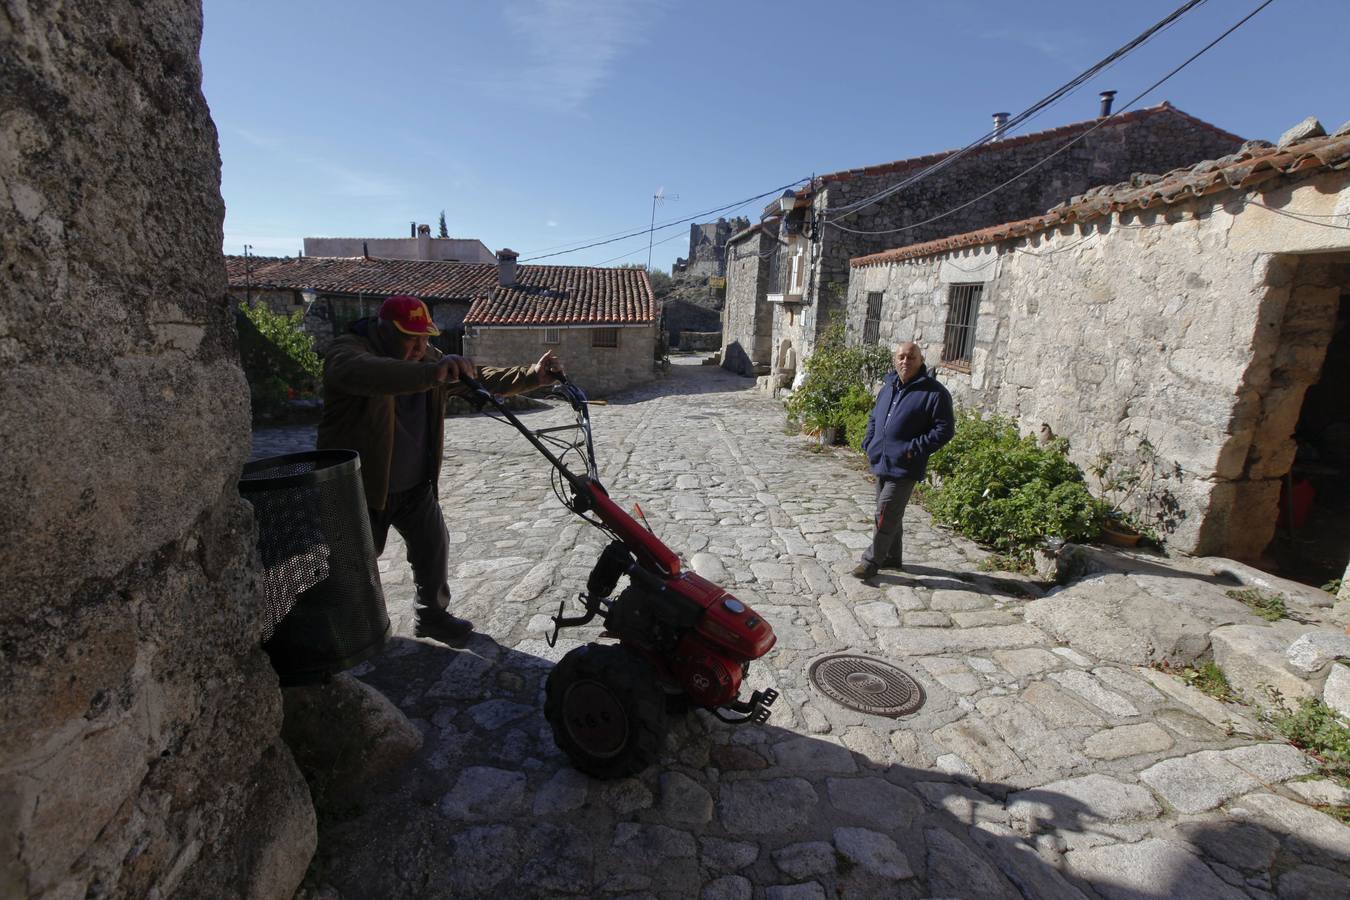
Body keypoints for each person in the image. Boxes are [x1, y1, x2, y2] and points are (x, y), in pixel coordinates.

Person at [317, 295, 564, 642]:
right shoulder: (349, 352)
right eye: (410, 338)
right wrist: (431, 373)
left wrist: (532, 376)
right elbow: (365, 374)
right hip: (362, 487)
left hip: (415, 483)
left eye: (425, 338)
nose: (420, 347)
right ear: (383, 330)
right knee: (353, 565)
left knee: (433, 547)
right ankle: (345, 633)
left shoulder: (428, 359)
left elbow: (476, 378)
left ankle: (431, 616)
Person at [852, 341, 954, 580]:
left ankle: (870, 561)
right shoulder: (889, 386)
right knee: (890, 512)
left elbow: (944, 430)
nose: (905, 361)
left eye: (911, 357)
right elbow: (874, 416)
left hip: (906, 465)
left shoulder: (934, 393)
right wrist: (869, 441)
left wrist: (912, 449)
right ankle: (891, 557)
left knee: (885, 512)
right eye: (901, 357)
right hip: (881, 459)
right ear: (894, 360)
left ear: (920, 361)